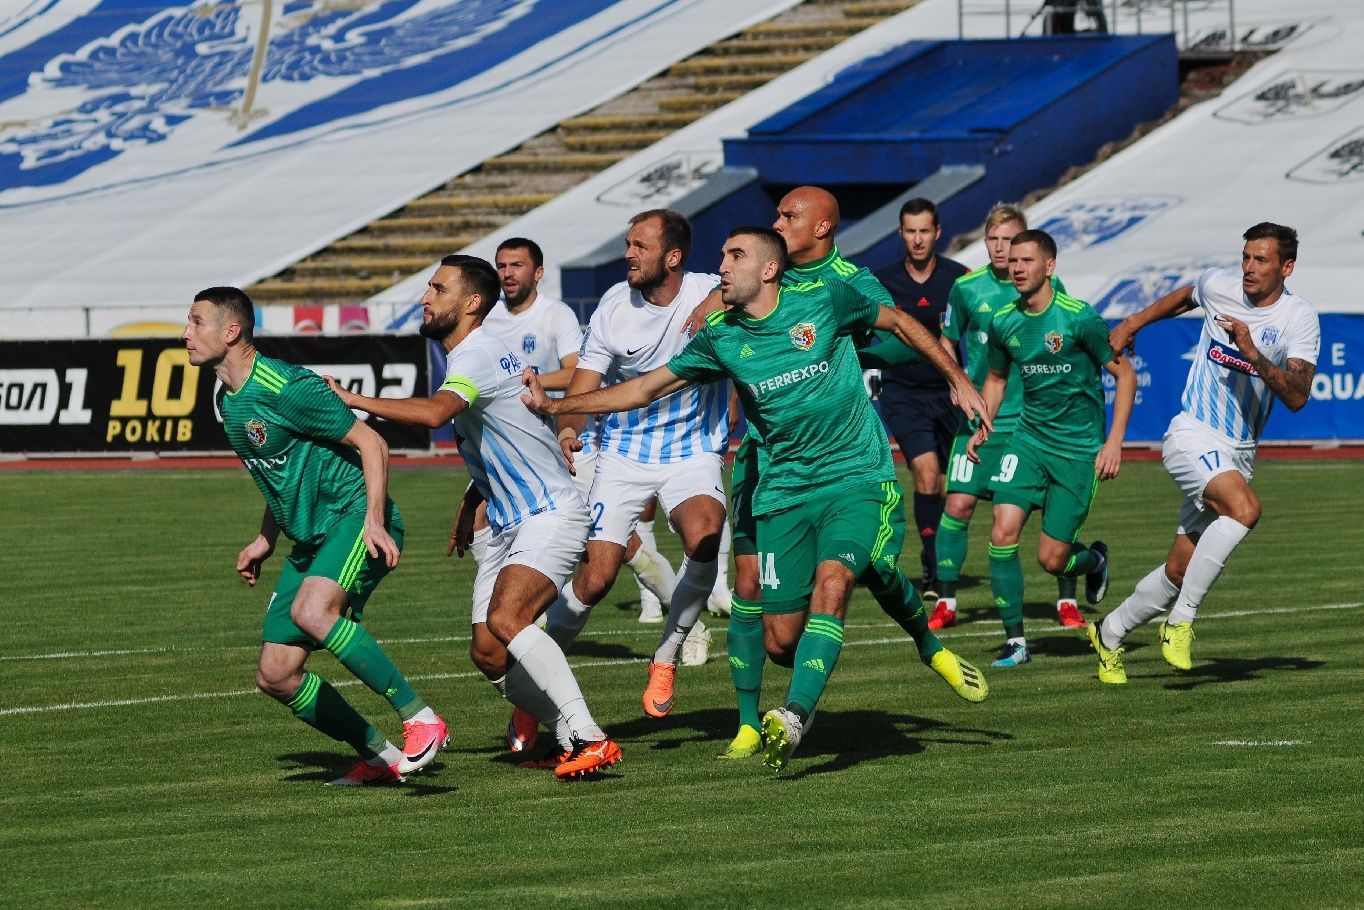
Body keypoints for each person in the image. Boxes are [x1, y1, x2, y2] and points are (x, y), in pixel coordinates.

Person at [525, 227, 992, 772]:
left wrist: (957, 378)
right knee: (781, 643)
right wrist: (557, 407)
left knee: (836, 579)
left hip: (854, 477)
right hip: (785, 490)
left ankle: (795, 715)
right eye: (723, 254)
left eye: (735, 255)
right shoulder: (721, 338)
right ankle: (887, 635)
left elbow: (901, 323)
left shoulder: (825, 297)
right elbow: (645, 387)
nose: (721, 265)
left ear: (769, 270)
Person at [707, 186, 978, 762]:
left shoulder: (850, 283)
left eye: (789, 215)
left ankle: (927, 644)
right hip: (765, 458)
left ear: (822, 226)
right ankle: (749, 723)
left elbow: (899, 337)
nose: (777, 222)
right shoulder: (759, 273)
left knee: (868, 569)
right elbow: (719, 326)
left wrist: (853, 348)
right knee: (752, 592)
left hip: (839, 460)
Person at [327, 255, 621, 780]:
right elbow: (501, 433)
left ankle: (590, 736)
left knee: (508, 621)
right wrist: (472, 499)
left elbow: (437, 413)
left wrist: (352, 399)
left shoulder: (476, 353)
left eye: (437, 289)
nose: (425, 298)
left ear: (471, 303)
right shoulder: (476, 353)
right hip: (509, 520)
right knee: (488, 652)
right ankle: (567, 734)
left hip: (548, 512)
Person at [183, 286, 446, 787]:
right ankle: (382, 757)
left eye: (197, 322)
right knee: (276, 674)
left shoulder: (286, 385)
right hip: (310, 539)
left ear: (231, 331)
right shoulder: (228, 400)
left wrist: (373, 520)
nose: (186, 333)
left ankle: (422, 719)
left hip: (355, 515)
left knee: (312, 610)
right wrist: (266, 537)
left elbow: (372, 442)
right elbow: (279, 474)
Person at [1087, 223, 1319, 683]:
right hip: (1192, 434)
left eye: (1261, 260)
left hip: (1239, 454)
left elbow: (1297, 395)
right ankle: (1180, 622)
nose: (1249, 267)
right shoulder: (1219, 285)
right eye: (1246, 257)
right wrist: (1132, 323)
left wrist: (1252, 353)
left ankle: (1108, 633)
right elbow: (1185, 296)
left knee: (1179, 569)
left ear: (1287, 267)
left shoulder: (1299, 317)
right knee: (1245, 509)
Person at [549, 209, 730, 720]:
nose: (628, 254)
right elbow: (585, 382)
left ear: (673, 257)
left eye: (639, 246)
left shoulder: (711, 290)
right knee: (596, 577)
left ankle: (666, 655)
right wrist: (568, 429)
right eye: (628, 244)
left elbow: (767, 280)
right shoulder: (613, 307)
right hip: (624, 455)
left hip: (693, 450)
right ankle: (537, 679)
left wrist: (717, 298)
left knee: (705, 535)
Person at [481, 236, 677, 634]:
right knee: (486, 523)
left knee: (621, 546)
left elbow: (577, 372)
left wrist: (528, 381)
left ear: (538, 272)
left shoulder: (556, 316)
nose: (508, 273)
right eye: (502, 266)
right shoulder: (488, 319)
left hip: (566, 446)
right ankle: (521, 622)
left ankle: (687, 625)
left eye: (517, 265)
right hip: (516, 449)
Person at [966, 230, 1136, 668]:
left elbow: (1125, 375)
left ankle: (1094, 560)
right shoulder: (1004, 321)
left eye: (1027, 260)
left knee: (1052, 559)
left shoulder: (1078, 318)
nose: (1017, 268)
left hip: (1078, 451)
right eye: (1014, 261)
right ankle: (1016, 644)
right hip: (1027, 440)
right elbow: (997, 378)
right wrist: (984, 423)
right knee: (1001, 531)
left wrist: (1114, 442)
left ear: (1050, 266)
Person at [932, 204, 1083, 630]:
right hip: (982, 416)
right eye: (993, 240)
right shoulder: (967, 288)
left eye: (1009, 241)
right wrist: (955, 380)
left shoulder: (1048, 288)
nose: (1000, 248)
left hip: (1033, 422)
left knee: (1050, 511)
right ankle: (945, 601)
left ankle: (1067, 601)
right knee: (958, 503)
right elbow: (946, 340)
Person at [873, 198, 969, 602]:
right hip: (903, 393)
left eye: (924, 231)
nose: (917, 239)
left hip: (949, 394)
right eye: (910, 231)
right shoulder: (882, 281)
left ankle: (941, 559)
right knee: (926, 476)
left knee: (948, 487)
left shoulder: (959, 279)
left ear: (937, 233)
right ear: (901, 233)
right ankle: (932, 572)